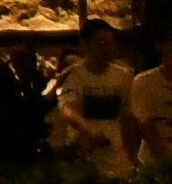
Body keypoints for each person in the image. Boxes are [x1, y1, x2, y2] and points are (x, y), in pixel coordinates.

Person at [51, 20, 137, 173]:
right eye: (101, 44)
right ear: (86, 45)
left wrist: (132, 155)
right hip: (86, 156)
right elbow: (68, 109)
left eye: (110, 44)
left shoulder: (121, 75)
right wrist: (88, 128)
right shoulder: (75, 75)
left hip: (115, 154)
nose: (107, 49)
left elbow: (127, 115)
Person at [126, 22, 172, 167]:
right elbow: (144, 124)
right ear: (160, 46)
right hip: (154, 161)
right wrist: (165, 161)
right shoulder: (144, 81)